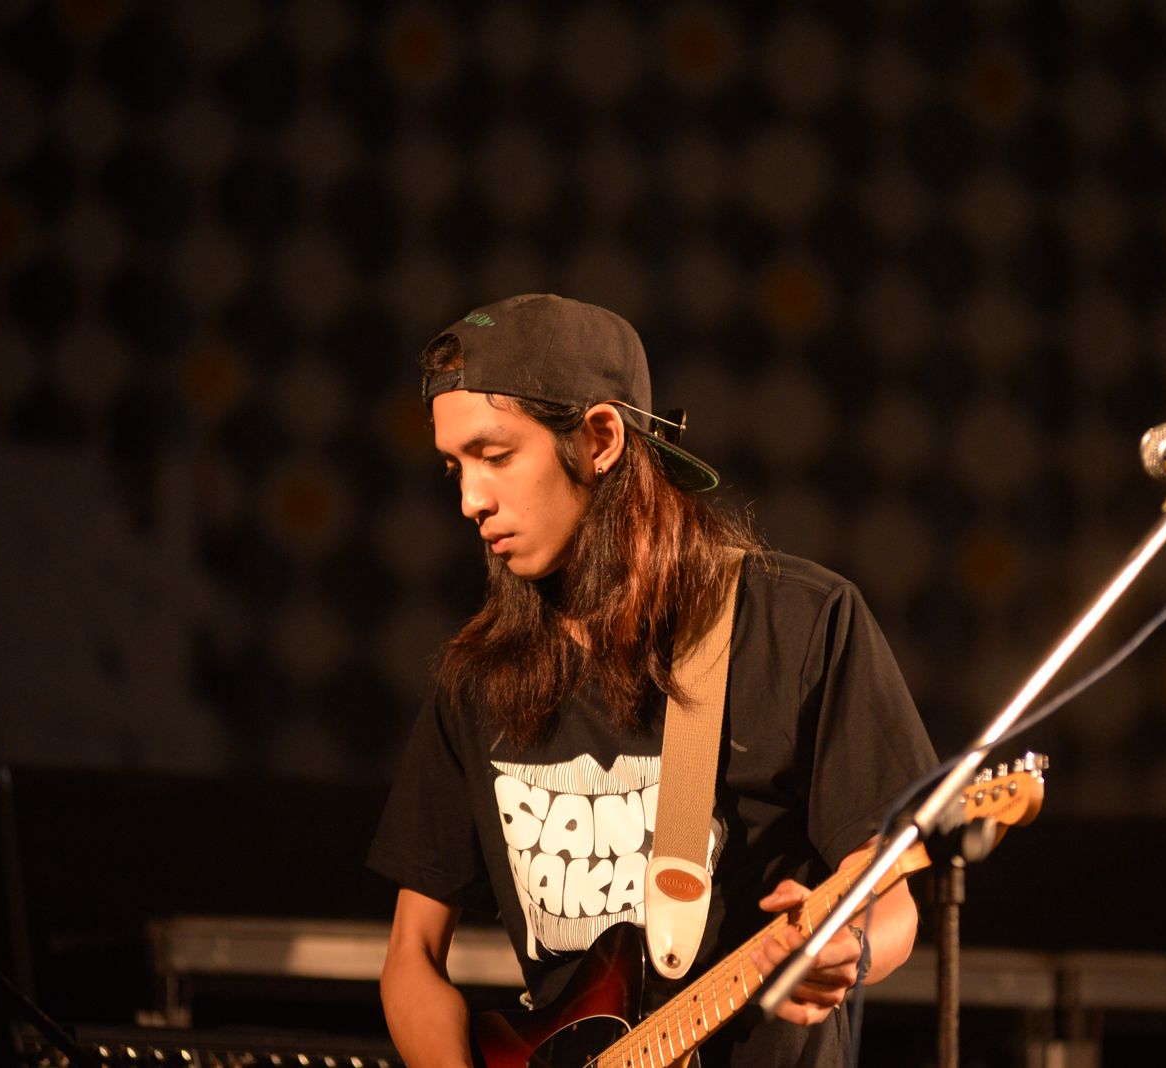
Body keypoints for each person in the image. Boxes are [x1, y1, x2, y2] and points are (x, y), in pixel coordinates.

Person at [368, 293, 937, 1068]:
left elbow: (891, 898)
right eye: (454, 467)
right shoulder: (478, 678)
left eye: (494, 456)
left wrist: (851, 947)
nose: (469, 500)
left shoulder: (798, 626)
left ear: (600, 438)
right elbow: (410, 957)